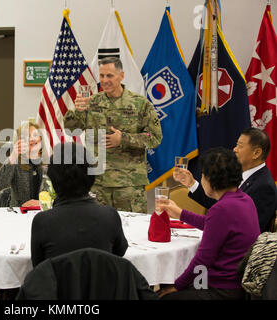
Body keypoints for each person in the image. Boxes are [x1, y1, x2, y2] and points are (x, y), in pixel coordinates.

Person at [158, 147, 260, 300]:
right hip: (238, 284)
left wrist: (176, 286)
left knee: (165, 292)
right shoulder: (245, 199)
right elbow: (214, 225)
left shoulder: (221, 209)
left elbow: (203, 260)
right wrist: (180, 213)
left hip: (221, 289)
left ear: (211, 181)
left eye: (203, 175)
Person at [63, 56, 162, 213]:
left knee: (132, 231)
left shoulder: (140, 104)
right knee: (96, 230)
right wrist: (76, 111)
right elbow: (70, 130)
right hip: (97, 183)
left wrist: (123, 139)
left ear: (121, 76)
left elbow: (155, 138)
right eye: (102, 76)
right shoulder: (91, 102)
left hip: (129, 184)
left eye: (110, 75)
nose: (105, 80)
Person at [30, 142, 128, 267]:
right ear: (91, 177)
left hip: (59, 286)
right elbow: (119, 253)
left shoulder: (43, 221)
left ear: (53, 180)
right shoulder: (110, 216)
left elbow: (37, 266)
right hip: (101, 285)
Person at [174, 128, 277, 233]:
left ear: (256, 153)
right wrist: (191, 183)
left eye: (240, 146)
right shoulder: (240, 174)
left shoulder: (264, 186)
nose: (235, 149)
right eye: (236, 145)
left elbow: (248, 229)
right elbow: (218, 203)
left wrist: (182, 214)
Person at [0, 121, 44, 207]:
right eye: (28, 137)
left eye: (35, 135)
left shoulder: (49, 163)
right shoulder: (16, 162)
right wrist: (13, 156)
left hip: (43, 213)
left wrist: (41, 204)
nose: (32, 139)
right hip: (19, 213)